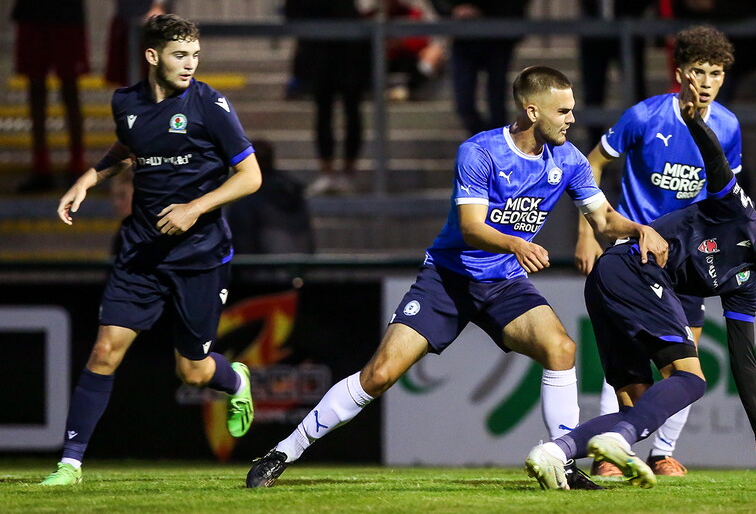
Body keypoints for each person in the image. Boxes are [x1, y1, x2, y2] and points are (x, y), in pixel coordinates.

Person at [246, 66, 668, 489]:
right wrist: (516, 244)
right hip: (447, 279)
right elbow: (471, 227)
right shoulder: (480, 151)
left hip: (502, 282)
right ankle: (283, 450)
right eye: (563, 111)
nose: (572, 119)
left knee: (560, 349)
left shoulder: (569, 159)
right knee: (379, 375)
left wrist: (637, 230)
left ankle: (561, 461)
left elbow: (604, 219)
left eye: (572, 110)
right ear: (532, 110)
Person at [526, 70, 756, 491]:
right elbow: (718, 166)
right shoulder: (740, 215)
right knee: (690, 379)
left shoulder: (747, 283)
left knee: (641, 406)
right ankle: (617, 441)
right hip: (633, 267)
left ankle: (554, 452)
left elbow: (744, 358)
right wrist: (696, 123)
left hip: (614, 281)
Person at [41, 14, 262, 486]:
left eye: (195, 55)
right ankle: (69, 465)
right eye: (181, 55)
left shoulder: (210, 105)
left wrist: (194, 208)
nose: (190, 65)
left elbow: (251, 176)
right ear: (152, 56)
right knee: (104, 351)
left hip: (200, 255)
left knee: (194, 372)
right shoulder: (126, 102)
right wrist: (89, 177)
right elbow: (129, 147)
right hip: (141, 252)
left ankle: (236, 378)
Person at [575, 24, 742, 477]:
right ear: (680, 71)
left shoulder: (728, 126)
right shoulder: (645, 116)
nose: (707, 82)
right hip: (636, 255)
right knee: (629, 363)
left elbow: (726, 197)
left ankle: (661, 452)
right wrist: (588, 231)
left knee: (686, 362)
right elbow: (592, 162)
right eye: (698, 71)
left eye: (716, 73)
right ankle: (609, 456)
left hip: (687, 260)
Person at [285, 0, 368, 196]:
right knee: (323, 110)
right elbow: (292, 10)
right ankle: (328, 172)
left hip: (348, 52)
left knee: (352, 109)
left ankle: (349, 171)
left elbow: (345, 8)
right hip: (317, 53)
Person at [10, 0, 90, 193]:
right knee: (37, 91)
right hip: (33, 9)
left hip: (66, 10)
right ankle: (42, 167)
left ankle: (76, 164)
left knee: (69, 90)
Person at [426, 0, 533, 135]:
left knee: (496, 101)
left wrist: (487, 13)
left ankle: (494, 147)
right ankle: (488, 144)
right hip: (463, 32)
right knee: (464, 104)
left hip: (499, 32)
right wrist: (452, 10)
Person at [574, 0, 659, 147]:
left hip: (629, 23)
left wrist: (635, 8)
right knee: (593, 93)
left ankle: (640, 148)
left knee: (635, 91)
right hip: (593, 29)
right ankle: (593, 152)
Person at [227, 139, 316, 254]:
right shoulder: (291, 190)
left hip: (260, 267)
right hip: (299, 265)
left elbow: (242, 241)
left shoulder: (246, 196)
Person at [105, 0, 186, 86]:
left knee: (163, 79)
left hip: (159, 26)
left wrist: (158, 4)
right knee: (129, 80)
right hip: (126, 22)